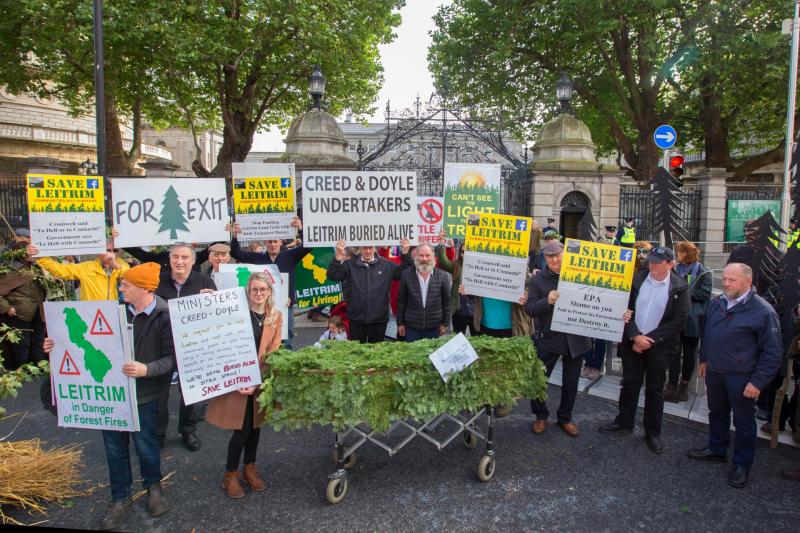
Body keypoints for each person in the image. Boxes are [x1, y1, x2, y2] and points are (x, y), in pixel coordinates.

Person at [42, 262, 174, 529]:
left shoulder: (165, 315)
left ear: (143, 288)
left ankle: (153, 487)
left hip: (145, 395)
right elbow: (84, 342)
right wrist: (55, 344)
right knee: (114, 450)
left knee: (146, 446)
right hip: (110, 395)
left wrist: (147, 369)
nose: (120, 288)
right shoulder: (111, 312)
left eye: (126, 284)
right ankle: (120, 497)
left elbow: (174, 358)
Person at [687, 263, 782, 488]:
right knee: (717, 412)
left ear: (748, 282)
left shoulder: (763, 311)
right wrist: (704, 358)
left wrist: (758, 382)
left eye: (732, 280)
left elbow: (773, 352)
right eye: (725, 278)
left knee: (744, 422)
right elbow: (708, 332)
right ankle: (717, 449)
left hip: (742, 377)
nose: (726, 283)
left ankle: (742, 464)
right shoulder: (717, 303)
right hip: (716, 371)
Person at [599, 247, 690, 454]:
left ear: (670, 264)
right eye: (650, 261)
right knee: (629, 383)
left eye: (657, 262)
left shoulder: (679, 287)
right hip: (634, 341)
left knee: (655, 389)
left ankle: (652, 433)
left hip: (659, 346)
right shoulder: (638, 279)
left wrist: (650, 340)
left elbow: (679, 321)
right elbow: (625, 309)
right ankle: (624, 421)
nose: (652, 265)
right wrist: (635, 336)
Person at [207, 272, 282, 499]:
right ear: (248, 292)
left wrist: (257, 381)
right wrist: (209, 301)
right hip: (238, 381)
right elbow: (224, 344)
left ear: (269, 292)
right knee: (241, 431)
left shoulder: (275, 317)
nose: (258, 294)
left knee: (255, 428)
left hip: (259, 382)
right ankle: (230, 474)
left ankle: (250, 467)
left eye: (263, 290)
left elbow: (273, 353)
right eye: (254, 290)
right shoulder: (236, 314)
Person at [525, 241, 593, 437]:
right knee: (539, 380)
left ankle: (565, 417)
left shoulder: (581, 274)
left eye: (557, 255)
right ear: (544, 258)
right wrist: (547, 301)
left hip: (577, 338)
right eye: (549, 256)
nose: (554, 260)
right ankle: (540, 415)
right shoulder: (539, 280)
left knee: (571, 383)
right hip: (550, 337)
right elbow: (529, 309)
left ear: (565, 254)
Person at [154, 243, 216, 452]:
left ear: (193, 261)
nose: (179, 261)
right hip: (162, 346)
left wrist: (212, 301)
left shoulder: (205, 282)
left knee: (192, 393)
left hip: (192, 347)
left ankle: (187, 430)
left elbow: (216, 316)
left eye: (184, 258)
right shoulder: (157, 281)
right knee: (159, 393)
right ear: (170, 259)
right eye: (175, 257)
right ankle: (158, 434)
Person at [229, 218, 305, 349]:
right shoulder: (258, 257)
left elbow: (308, 247)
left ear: (280, 242)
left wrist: (301, 229)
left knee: (286, 338)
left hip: (285, 305)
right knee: (265, 340)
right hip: (262, 307)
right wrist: (235, 237)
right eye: (270, 242)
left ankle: (285, 368)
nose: (273, 244)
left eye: (276, 241)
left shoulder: (290, 255)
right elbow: (236, 253)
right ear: (265, 243)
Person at [326, 238, 412, 343]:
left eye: (370, 248)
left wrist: (406, 253)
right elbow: (333, 276)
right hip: (356, 318)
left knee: (375, 353)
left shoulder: (386, 265)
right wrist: (338, 257)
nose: (368, 251)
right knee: (357, 352)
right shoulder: (349, 264)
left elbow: (405, 273)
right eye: (364, 248)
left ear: (374, 248)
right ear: (360, 249)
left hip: (379, 319)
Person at [665, 241, 712, 403]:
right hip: (675, 318)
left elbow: (704, 294)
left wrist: (683, 290)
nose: (676, 254)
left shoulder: (704, 273)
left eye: (679, 252)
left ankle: (683, 388)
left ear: (686, 253)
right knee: (673, 353)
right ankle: (671, 385)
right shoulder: (674, 269)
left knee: (690, 355)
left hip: (693, 319)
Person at [0, 238, 46, 369]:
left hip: (38, 310)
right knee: (22, 344)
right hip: (19, 313)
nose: (32, 254)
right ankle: (21, 370)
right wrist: (7, 308)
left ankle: (40, 367)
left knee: (38, 340)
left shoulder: (37, 269)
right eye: (28, 251)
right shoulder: (11, 271)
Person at [33, 239, 129, 300]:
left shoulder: (121, 265)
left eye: (115, 251)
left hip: (113, 312)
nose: (111, 254)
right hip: (91, 313)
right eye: (107, 250)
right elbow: (62, 270)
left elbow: (131, 277)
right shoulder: (86, 267)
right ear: (99, 252)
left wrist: (114, 264)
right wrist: (41, 257)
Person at [397, 243, 451, 341]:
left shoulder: (443, 276)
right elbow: (401, 301)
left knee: (431, 355)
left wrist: (445, 323)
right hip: (412, 328)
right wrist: (400, 323)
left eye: (427, 255)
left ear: (433, 257)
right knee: (412, 355)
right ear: (416, 256)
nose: (424, 259)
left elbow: (447, 302)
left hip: (434, 328)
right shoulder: (406, 275)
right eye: (421, 255)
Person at [437, 234, 476, 336]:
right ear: (460, 253)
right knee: (458, 338)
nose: (465, 254)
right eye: (463, 251)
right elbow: (442, 262)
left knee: (477, 340)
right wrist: (442, 244)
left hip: (475, 312)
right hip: (459, 310)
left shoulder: (481, 266)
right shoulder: (456, 265)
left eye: (468, 251)